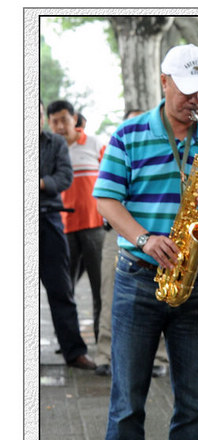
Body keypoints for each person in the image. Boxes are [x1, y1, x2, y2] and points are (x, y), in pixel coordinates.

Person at [93, 44, 198, 440]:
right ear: (164, 82)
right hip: (138, 277)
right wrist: (144, 237)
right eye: (186, 90)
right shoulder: (128, 135)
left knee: (196, 406)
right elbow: (106, 199)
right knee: (126, 404)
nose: (195, 101)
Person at [95, 109, 169, 378]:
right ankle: (105, 355)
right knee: (109, 293)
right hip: (118, 237)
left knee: (163, 295)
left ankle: (159, 358)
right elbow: (104, 198)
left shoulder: (161, 148)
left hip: (159, 241)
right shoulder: (120, 145)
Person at [39, 100, 96, 371]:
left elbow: (64, 177)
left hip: (49, 219)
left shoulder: (55, 143)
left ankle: (74, 352)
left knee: (61, 289)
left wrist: (39, 183)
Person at [47, 100, 106, 336]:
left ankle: (101, 338)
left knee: (99, 287)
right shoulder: (48, 150)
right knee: (64, 287)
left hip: (95, 226)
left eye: (64, 119)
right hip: (63, 227)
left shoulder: (94, 143)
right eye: (54, 121)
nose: (60, 125)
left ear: (75, 118)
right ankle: (69, 339)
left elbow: (113, 177)